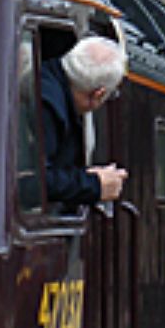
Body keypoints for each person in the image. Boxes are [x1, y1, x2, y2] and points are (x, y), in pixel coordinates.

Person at [39, 36, 129, 210]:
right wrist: (94, 184)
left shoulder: (45, 79)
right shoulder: (49, 106)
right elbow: (34, 181)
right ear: (98, 94)